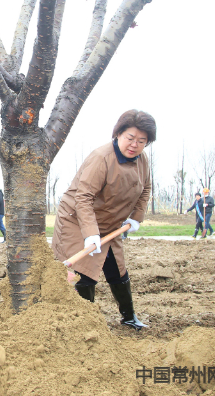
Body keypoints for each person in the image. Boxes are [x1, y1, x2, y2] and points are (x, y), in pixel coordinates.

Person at [52, 110, 156, 331]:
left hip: (110, 223)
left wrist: (136, 217)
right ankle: (85, 325)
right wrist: (90, 233)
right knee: (84, 270)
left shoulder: (142, 160)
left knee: (117, 268)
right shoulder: (102, 158)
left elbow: (146, 188)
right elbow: (83, 197)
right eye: (130, 138)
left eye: (141, 141)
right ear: (118, 134)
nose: (134, 145)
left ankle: (129, 317)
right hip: (77, 219)